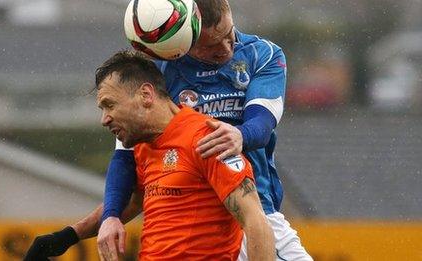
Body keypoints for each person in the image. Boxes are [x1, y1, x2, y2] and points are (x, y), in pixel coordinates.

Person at [25, 0, 312, 260]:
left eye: (230, 35)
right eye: (212, 46)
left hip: (255, 210)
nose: (226, 49)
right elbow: (127, 166)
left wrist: (241, 135)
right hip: (196, 225)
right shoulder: (159, 75)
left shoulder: (262, 55)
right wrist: (93, 224)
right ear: (182, 44)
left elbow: (262, 124)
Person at [105, 51, 274, 260]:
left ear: (146, 95)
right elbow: (132, 201)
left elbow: (256, 223)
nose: (105, 119)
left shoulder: (206, 138)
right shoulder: (144, 148)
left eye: (110, 105)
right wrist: (79, 231)